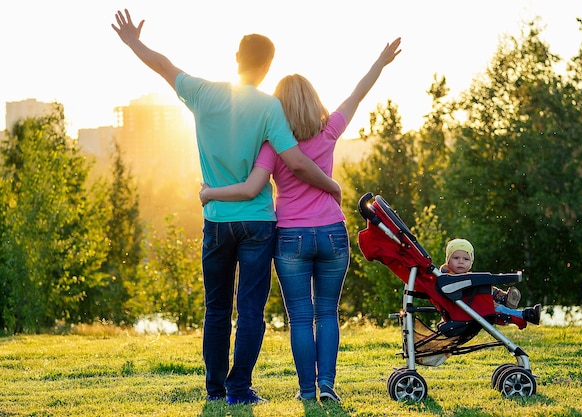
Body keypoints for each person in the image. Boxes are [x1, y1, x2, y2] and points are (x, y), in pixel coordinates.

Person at [112, 9, 342, 405]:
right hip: (257, 221)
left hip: (216, 220)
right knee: (250, 310)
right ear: (268, 66)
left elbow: (164, 65)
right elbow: (297, 163)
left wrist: (134, 42)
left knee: (216, 309)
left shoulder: (202, 92)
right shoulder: (270, 107)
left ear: (236, 57)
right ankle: (240, 390)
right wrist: (333, 187)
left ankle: (215, 390)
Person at [199, 38, 403, 402]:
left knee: (299, 316)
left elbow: (252, 187)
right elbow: (357, 94)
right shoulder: (330, 131)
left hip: (290, 237)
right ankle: (326, 386)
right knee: (327, 313)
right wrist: (381, 63)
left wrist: (209, 192)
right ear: (313, 100)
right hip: (331, 235)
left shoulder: (273, 144)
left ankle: (307, 391)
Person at [440, 238, 541, 325]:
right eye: (456, 258)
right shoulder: (447, 277)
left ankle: (502, 298)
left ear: (471, 263)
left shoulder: (463, 276)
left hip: (471, 307)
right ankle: (525, 314)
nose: (461, 261)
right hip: (463, 311)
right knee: (498, 309)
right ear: (448, 261)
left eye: (466, 259)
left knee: (481, 284)